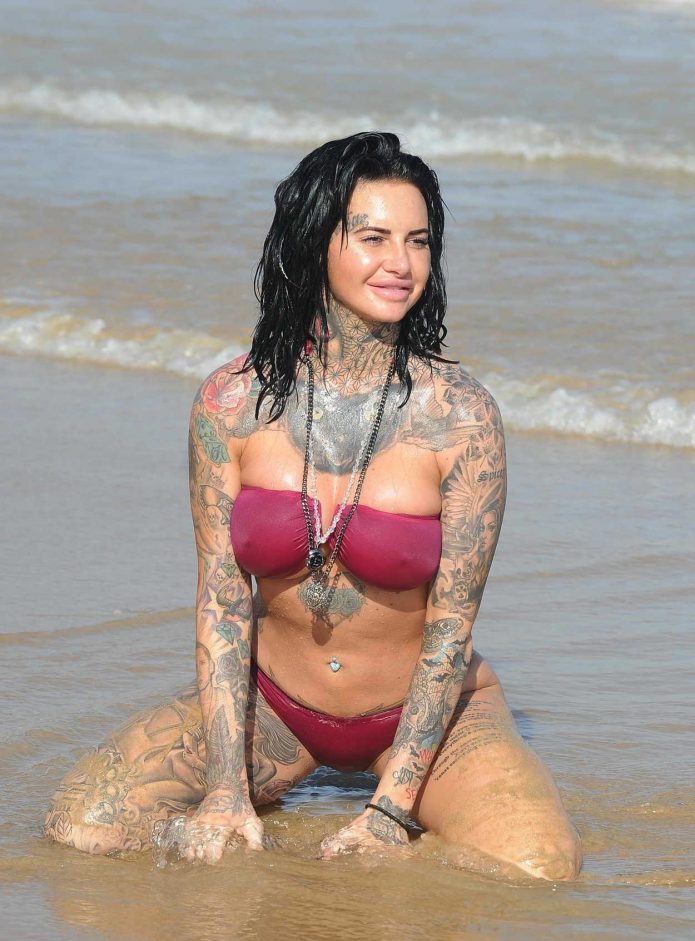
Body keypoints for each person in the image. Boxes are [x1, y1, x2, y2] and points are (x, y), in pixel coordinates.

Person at [44, 132, 582, 880]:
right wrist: (226, 791)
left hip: (419, 721)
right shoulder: (231, 403)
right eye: (373, 238)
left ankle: (401, 808)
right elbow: (223, 602)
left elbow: (450, 628)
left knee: (538, 866)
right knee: (83, 826)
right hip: (276, 710)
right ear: (313, 241)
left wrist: (389, 812)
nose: (401, 264)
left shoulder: (460, 417)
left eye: (418, 241)